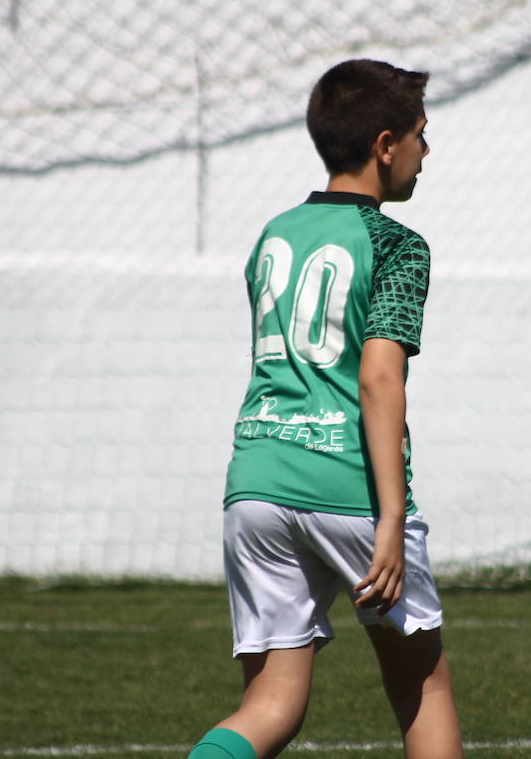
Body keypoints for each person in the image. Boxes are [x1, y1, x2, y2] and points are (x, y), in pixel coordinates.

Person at [188, 59, 463, 759]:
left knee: (271, 703)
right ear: (384, 144)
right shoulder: (397, 245)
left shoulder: (274, 233)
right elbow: (377, 380)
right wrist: (392, 517)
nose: (426, 154)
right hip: (348, 486)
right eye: (421, 136)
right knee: (421, 688)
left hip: (255, 479)